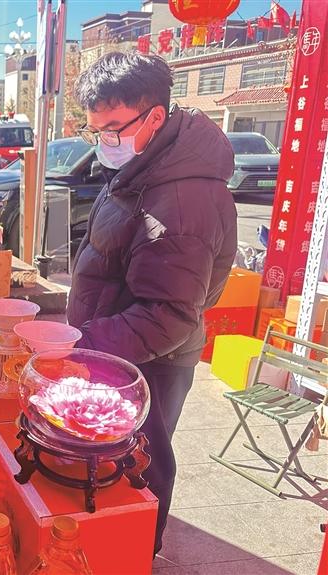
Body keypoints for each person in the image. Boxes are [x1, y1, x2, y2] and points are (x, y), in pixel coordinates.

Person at [67, 52, 237, 555]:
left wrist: (82, 343)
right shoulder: (145, 164)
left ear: (155, 116)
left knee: (143, 463)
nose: (105, 141)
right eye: (96, 129)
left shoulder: (183, 199)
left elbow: (170, 313)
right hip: (119, 346)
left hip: (154, 359)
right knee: (116, 456)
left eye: (114, 128)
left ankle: (139, 552)